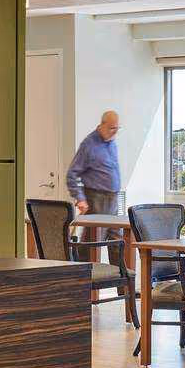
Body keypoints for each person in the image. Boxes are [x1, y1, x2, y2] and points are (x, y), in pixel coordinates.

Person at [66, 111, 122, 259]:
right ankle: (85, 276)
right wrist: (80, 198)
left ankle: (121, 279)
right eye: (111, 128)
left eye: (117, 128)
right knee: (93, 242)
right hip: (97, 198)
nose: (114, 131)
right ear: (102, 125)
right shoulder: (89, 144)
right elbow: (71, 174)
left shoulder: (112, 142)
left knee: (118, 241)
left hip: (113, 200)